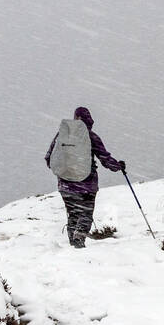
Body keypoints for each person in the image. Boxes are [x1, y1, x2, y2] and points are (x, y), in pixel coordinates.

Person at [45, 106, 125, 248]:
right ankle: (79, 241)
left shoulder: (61, 136)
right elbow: (105, 159)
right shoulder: (91, 137)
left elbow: (49, 159)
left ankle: (73, 245)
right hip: (86, 186)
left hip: (65, 186)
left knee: (73, 214)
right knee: (85, 215)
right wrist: (118, 166)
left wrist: (66, 172)